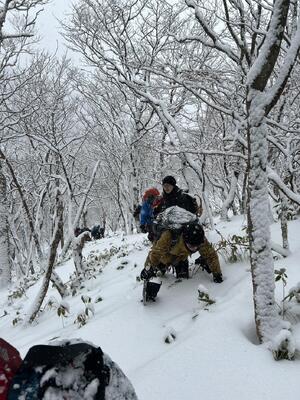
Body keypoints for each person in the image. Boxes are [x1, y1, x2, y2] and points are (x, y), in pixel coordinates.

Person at [140, 221, 223, 301]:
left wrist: (217, 274)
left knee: (183, 280)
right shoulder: (168, 236)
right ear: (184, 238)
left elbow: (211, 255)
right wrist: (148, 269)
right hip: (163, 259)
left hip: (181, 259)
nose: (194, 249)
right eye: (191, 246)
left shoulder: (199, 238)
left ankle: (200, 261)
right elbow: (155, 254)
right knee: (157, 273)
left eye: (196, 247)